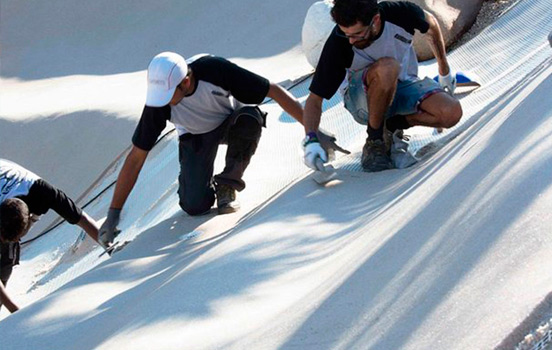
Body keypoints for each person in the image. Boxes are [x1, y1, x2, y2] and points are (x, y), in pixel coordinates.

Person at [98, 52, 348, 247]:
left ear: (185, 81)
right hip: (195, 135)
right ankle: (202, 189)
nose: (162, 99)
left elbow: (273, 91)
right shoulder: (158, 101)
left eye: (168, 93)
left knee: (250, 117)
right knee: (195, 206)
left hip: (232, 123)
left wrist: (313, 132)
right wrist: (113, 213)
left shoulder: (215, 69)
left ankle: (229, 182)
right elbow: (135, 158)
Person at [302, 0, 462, 172]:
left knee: (451, 112)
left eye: (357, 34)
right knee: (388, 68)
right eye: (346, 34)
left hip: (403, 85)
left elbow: (431, 25)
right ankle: (374, 141)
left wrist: (444, 72)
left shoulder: (400, 14)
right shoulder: (339, 42)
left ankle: (392, 126)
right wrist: (311, 139)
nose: (350, 41)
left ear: (376, 20)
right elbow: (315, 99)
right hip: (362, 101)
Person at [0, 159, 101, 314]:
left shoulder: (44, 193)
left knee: (6, 263)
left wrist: (111, 245)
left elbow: (82, 218)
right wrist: (16, 312)